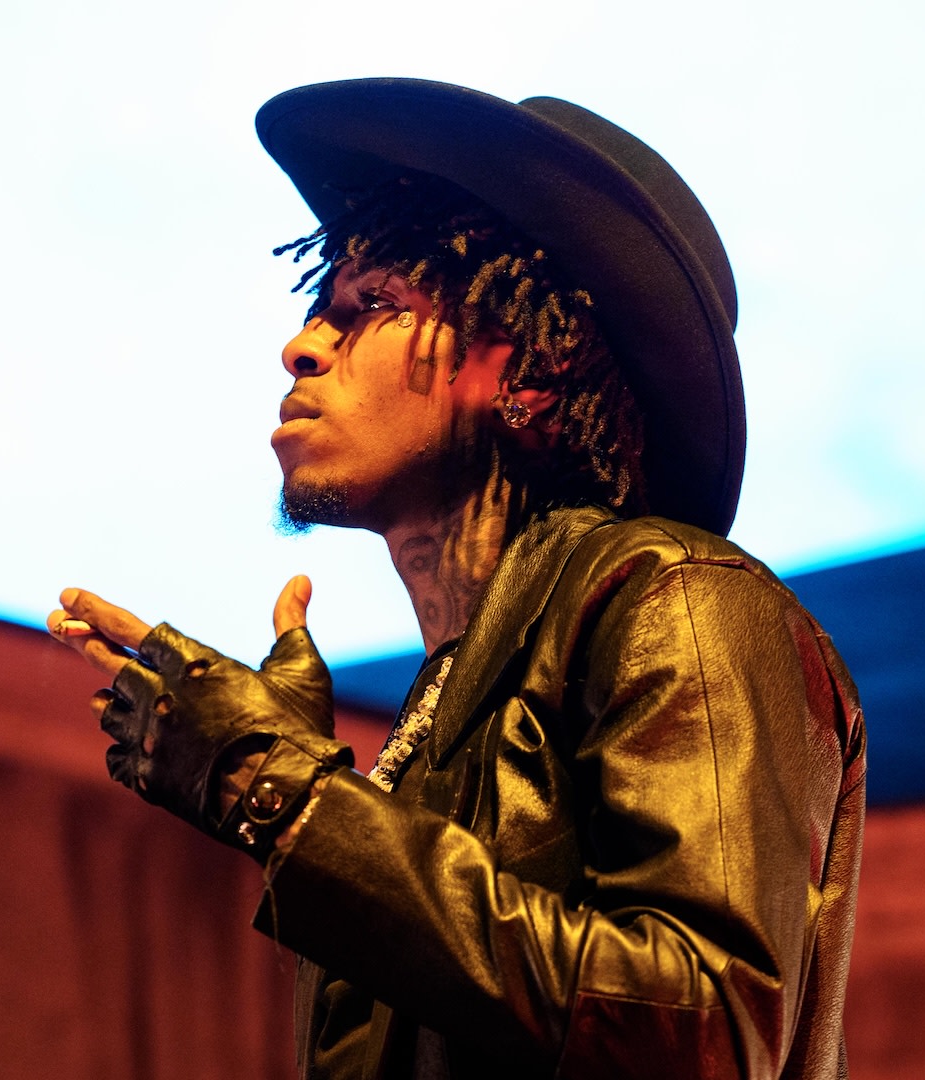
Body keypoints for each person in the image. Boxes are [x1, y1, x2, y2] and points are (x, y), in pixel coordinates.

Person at [47, 78, 865, 1080]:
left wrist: (281, 793)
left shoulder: (682, 602)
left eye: (373, 307)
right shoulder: (444, 711)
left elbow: (695, 1033)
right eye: (321, 312)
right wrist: (318, 800)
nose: (301, 345)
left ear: (519, 368)